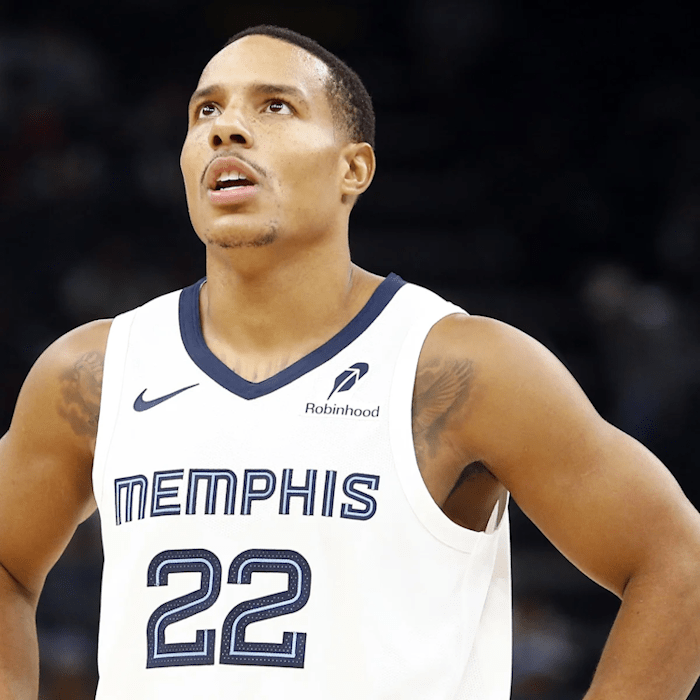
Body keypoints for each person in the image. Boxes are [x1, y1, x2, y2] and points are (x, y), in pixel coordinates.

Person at [1, 24, 699, 700]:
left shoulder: (459, 367)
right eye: (205, 110)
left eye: (275, 106)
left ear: (353, 168)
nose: (226, 128)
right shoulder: (95, 371)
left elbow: (681, 565)